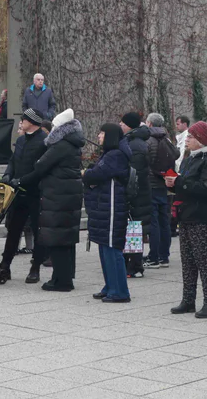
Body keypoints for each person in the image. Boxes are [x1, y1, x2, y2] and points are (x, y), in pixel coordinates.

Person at [166, 121, 207, 318]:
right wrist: (174, 184)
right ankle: (188, 299)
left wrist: (180, 182)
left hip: (202, 216)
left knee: (203, 260)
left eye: (191, 136)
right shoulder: (190, 159)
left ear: (200, 140)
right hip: (187, 214)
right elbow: (186, 184)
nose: (187, 139)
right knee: (187, 260)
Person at [25, 108, 84, 292]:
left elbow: (41, 164)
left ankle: (62, 281)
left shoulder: (60, 146)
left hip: (58, 196)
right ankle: (61, 277)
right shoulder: (72, 144)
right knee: (65, 240)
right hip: (67, 195)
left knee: (58, 238)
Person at [84, 123, 133, 303]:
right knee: (105, 247)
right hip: (104, 206)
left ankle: (120, 291)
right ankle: (110, 285)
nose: (99, 136)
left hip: (112, 207)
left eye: (102, 133)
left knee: (112, 248)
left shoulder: (116, 155)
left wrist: (87, 173)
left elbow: (96, 174)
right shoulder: (110, 154)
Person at [1, 109, 49, 283]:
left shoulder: (43, 141)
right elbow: (13, 161)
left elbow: (40, 170)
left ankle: (35, 268)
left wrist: (21, 180)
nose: (21, 122)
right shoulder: (21, 140)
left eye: (24, 119)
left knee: (38, 232)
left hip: (35, 194)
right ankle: (5, 265)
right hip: (18, 194)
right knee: (13, 230)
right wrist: (8, 174)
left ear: (32, 121)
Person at [120, 112, 152, 279]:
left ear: (129, 126)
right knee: (133, 230)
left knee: (134, 230)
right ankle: (131, 263)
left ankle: (135, 266)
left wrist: (128, 193)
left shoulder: (136, 145)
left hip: (137, 195)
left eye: (123, 123)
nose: (120, 125)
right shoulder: (133, 141)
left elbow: (134, 174)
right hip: (138, 194)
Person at [145, 113, 177, 268]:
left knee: (154, 221)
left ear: (150, 124)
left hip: (151, 184)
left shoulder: (148, 140)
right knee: (164, 220)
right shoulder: (166, 138)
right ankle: (164, 256)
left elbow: (146, 160)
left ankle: (154, 256)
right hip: (164, 183)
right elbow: (176, 153)